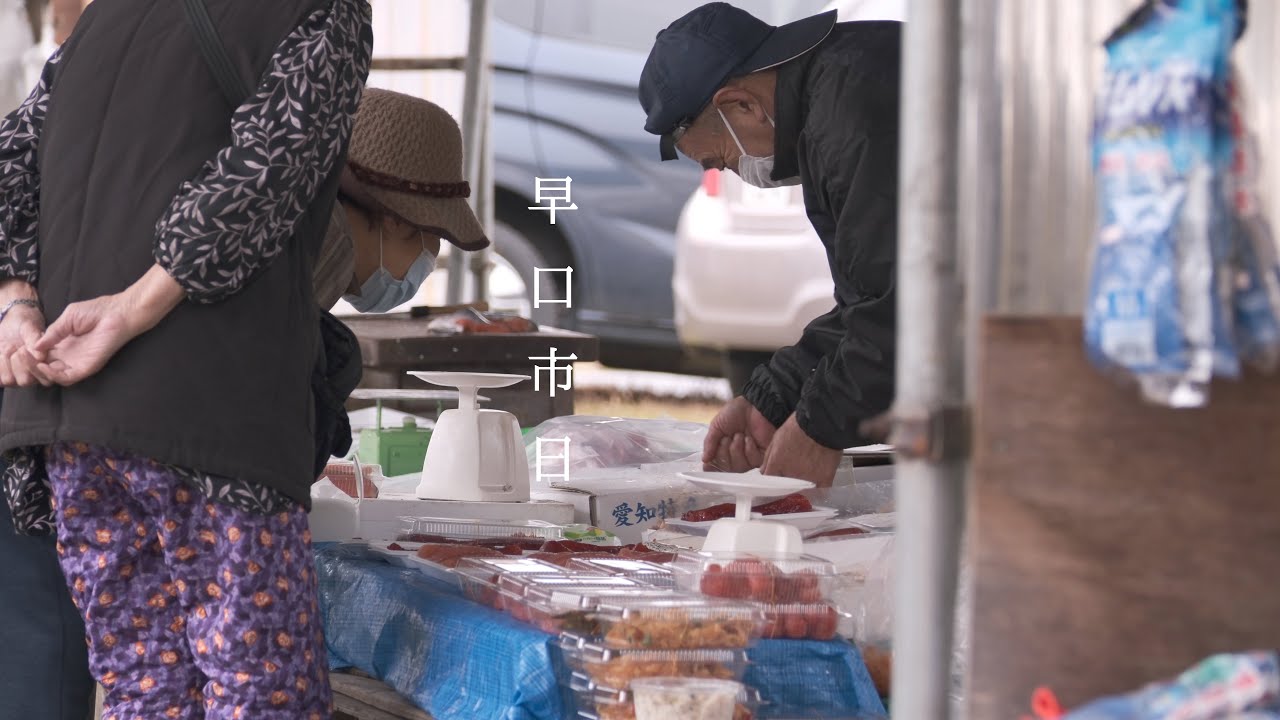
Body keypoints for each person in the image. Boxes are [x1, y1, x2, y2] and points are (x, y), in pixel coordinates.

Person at [0, 1, 373, 719]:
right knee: (260, 688)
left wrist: (18, 307)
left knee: (145, 687)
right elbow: (265, 172)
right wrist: (128, 309)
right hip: (211, 417)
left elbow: (10, 162)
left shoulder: (111, 15)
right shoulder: (323, 11)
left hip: (72, 426)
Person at [639, 2, 902, 487]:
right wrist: (771, 396)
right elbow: (866, 301)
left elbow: (898, 308)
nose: (734, 171)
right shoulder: (834, 90)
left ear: (742, 104)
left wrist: (817, 429)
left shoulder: (851, 116)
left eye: (721, 159)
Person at [314, 88, 490, 312]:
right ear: (397, 219)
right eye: (436, 234)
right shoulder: (324, 257)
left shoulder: (308, 232)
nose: (426, 269)